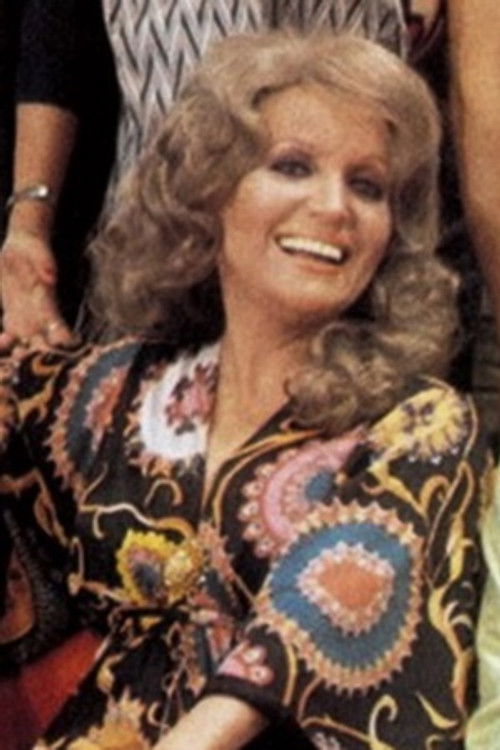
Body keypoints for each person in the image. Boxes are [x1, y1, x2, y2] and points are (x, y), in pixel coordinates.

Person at [0, 30, 489, 749]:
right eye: (293, 166)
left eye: (368, 186)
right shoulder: (118, 388)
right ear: (210, 192)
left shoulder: (420, 425)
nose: (335, 206)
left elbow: (304, 634)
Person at [0, 0, 407, 348]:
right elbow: (56, 46)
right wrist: (28, 227)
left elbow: (372, 137)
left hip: (317, 306)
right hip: (146, 273)